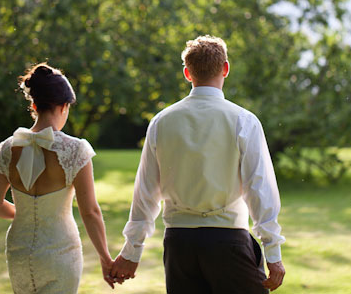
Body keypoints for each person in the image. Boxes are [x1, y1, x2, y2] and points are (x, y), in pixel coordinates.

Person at [110, 35, 286, 293]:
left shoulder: (161, 122)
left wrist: (132, 251)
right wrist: (273, 252)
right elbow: (259, 187)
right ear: (225, 68)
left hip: (179, 246)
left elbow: (145, 193)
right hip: (228, 241)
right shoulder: (243, 120)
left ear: (186, 73)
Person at [0, 63, 115, 293]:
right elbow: (90, 211)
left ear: (34, 105)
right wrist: (105, 258)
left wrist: (25, 213)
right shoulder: (75, 150)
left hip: (19, 251)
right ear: (64, 106)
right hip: (60, 252)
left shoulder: (7, 148)